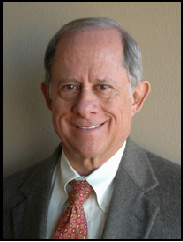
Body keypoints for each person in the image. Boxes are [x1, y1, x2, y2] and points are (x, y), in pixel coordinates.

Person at [3, 17, 181, 239]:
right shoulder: (7, 195)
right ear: (48, 97)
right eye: (69, 87)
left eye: (103, 87)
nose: (85, 108)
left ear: (136, 98)